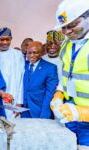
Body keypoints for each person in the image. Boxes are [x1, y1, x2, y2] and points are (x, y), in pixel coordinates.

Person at [50, 0, 89, 146]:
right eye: (63, 27)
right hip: (70, 114)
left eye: (72, 25)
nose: (66, 32)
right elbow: (68, 76)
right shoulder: (67, 44)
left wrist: (82, 113)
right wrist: (59, 94)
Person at [0, 27, 24, 119]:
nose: (5, 42)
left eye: (7, 39)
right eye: (2, 39)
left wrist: (19, 101)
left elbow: (21, 79)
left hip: (12, 96)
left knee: (12, 127)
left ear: (11, 39)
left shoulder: (17, 55)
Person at [21, 41, 58, 118]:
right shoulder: (22, 65)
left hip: (40, 111)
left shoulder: (50, 68)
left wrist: (45, 115)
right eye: (29, 53)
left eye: (35, 53)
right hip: (23, 111)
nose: (32, 55)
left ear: (41, 53)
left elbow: (49, 94)